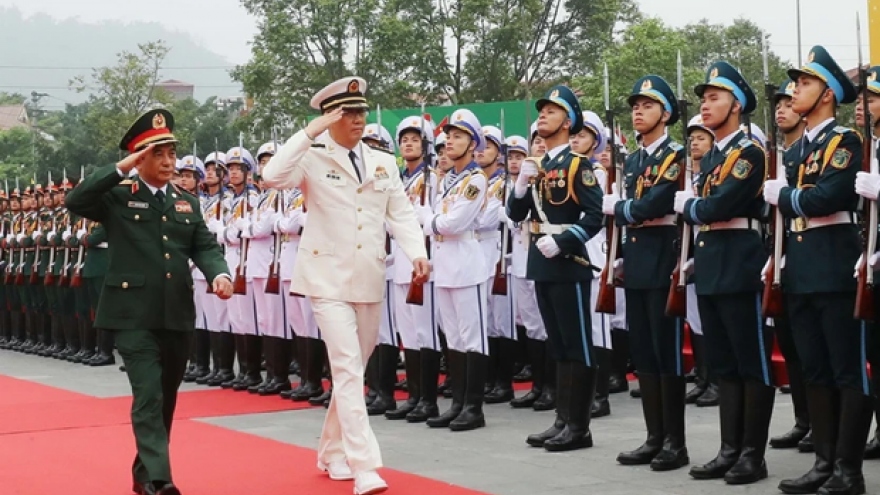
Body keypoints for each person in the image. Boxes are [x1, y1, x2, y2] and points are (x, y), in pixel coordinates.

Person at [262, 76, 429, 495]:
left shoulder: (382, 161)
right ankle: (365, 465)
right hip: (326, 278)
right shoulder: (312, 156)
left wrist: (418, 251)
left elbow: (401, 213)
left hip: (368, 276)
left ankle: (331, 451)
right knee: (348, 367)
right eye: (347, 113)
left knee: (353, 367)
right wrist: (309, 132)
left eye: (360, 111)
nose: (357, 120)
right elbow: (270, 176)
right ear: (329, 116)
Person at [65, 108, 233, 495]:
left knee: (167, 399)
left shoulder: (186, 202)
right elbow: (78, 199)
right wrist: (122, 167)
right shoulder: (119, 196)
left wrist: (219, 273)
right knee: (149, 394)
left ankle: (143, 475)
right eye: (158, 154)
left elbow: (203, 246)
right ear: (140, 158)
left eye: (171, 154)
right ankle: (161, 479)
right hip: (132, 315)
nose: (168, 162)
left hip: (175, 312)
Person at [766, 46, 870, 495]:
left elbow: (825, 197)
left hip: (833, 264)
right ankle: (824, 462)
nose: (794, 91)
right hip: (802, 267)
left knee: (846, 370)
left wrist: (784, 198)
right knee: (815, 370)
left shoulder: (844, 141)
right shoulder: (797, 149)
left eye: (804, 83)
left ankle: (849, 470)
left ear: (827, 93)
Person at [675, 61, 773, 485]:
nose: (705, 104)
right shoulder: (714, 153)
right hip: (713, 261)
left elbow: (717, 206)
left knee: (750, 364)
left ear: (736, 104)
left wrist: (689, 207)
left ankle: (753, 453)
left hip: (740, 262)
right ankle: (729, 448)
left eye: (714, 97)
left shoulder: (749, 151)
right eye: (704, 98)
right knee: (724, 365)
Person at [508, 85, 604, 452]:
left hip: (567, 261)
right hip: (541, 262)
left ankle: (579, 427)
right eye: (542, 111)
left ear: (568, 121)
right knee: (559, 346)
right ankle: (562, 420)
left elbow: (595, 215)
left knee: (577, 344)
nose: (543, 115)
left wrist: (566, 240)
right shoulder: (541, 166)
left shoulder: (579, 165)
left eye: (552, 111)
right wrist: (520, 184)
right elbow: (517, 215)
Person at [606, 75, 688, 471]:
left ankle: (675, 441)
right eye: (635, 106)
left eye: (647, 106)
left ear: (666, 113)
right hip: (638, 260)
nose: (638, 112)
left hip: (662, 258)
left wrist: (621, 210)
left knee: (666, 354)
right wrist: (620, 254)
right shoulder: (635, 159)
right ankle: (654, 436)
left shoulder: (676, 155)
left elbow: (654, 203)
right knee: (645, 356)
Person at [766, 78, 811, 453]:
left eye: (787, 102)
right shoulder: (778, 156)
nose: (782, 109)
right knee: (793, 347)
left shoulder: (814, 152)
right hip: (781, 257)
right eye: (777, 104)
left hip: (810, 252)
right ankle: (804, 419)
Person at [681, 115, 719, 408]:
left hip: (711, 250)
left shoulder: (715, 174)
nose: (695, 143)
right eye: (692, 138)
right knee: (696, 320)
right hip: (691, 253)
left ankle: (716, 381)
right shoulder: (688, 175)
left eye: (701, 138)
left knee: (711, 322)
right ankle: (704, 376)